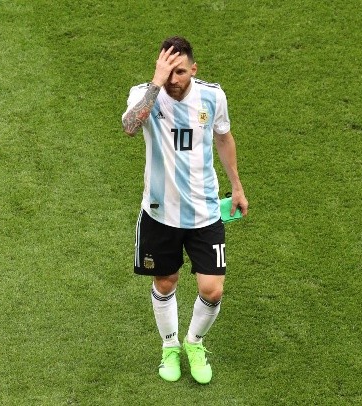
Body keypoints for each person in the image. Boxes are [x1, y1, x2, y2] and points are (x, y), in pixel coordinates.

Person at [121, 36, 248, 384]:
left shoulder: (212, 97)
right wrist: (156, 83)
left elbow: (223, 137)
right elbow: (130, 127)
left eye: (180, 72)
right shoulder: (146, 94)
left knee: (212, 288)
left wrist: (237, 186)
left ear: (193, 69)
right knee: (166, 282)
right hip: (160, 212)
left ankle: (194, 342)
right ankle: (169, 347)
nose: (173, 80)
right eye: (167, 71)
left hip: (205, 211)